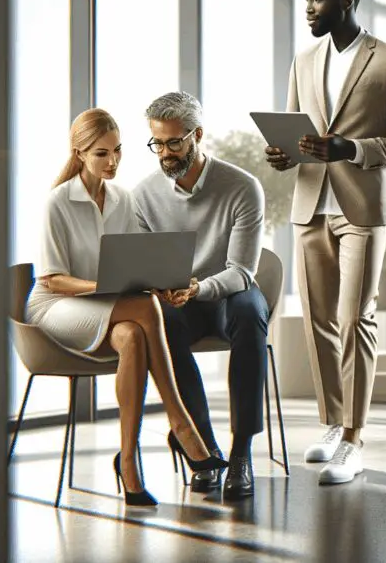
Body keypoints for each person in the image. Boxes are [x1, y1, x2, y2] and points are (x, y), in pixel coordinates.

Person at [266, 0, 386, 486]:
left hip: (362, 210)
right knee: (319, 322)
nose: (308, 8)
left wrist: (350, 148)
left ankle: (354, 440)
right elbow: (297, 133)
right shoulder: (304, 60)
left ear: (346, 1)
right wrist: (285, 154)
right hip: (311, 206)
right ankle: (333, 423)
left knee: (355, 319)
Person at [28, 109, 227, 506]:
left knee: (134, 334)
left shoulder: (122, 199)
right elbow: (52, 279)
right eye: (101, 153)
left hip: (108, 308)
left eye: (117, 150)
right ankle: (181, 423)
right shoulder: (58, 202)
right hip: (55, 308)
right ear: (79, 153)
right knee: (142, 308)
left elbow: (136, 264)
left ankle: (129, 463)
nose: (113, 161)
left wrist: (163, 283)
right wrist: (106, 287)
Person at [133, 92, 266, 498]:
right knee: (158, 321)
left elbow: (241, 271)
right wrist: (161, 287)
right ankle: (203, 449)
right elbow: (144, 263)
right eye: (157, 143)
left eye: (174, 142)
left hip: (227, 294)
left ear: (198, 135)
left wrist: (198, 288)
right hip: (180, 300)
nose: (165, 153)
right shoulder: (144, 195)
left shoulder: (242, 187)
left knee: (250, 312)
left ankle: (241, 453)